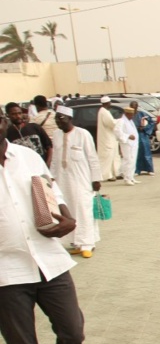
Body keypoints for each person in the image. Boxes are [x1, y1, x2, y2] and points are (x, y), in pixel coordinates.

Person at [0, 111, 85, 344]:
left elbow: (52, 194)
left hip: (49, 261)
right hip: (6, 272)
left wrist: (65, 218)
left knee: (73, 333)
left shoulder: (27, 156)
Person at [50, 105, 102, 258]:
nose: (58, 121)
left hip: (82, 180)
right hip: (63, 181)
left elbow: (92, 157)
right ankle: (76, 243)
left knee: (83, 210)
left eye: (61, 118)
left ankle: (88, 244)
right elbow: (54, 159)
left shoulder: (82, 134)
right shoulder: (56, 135)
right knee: (69, 211)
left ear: (70, 118)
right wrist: (51, 177)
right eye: (56, 118)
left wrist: (96, 178)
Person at [96, 96, 120, 181]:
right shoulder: (104, 112)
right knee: (107, 157)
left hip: (109, 137)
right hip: (106, 138)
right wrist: (119, 121)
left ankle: (113, 173)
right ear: (107, 103)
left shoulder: (103, 111)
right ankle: (106, 175)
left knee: (112, 156)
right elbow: (111, 123)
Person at [131, 100, 156, 177]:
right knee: (136, 153)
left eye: (135, 107)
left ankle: (149, 169)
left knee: (146, 152)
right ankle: (137, 170)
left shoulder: (141, 114)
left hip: (142, 135)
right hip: (134, 136)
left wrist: (145, 128)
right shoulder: (129, 115)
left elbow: (152, 122)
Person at [117, 107, 139, 185]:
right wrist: (128, 136)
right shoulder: (121, 121)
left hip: (133, 144)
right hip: (127, 144)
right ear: (127, 114)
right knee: (128, 160)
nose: (132, 116)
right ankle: (126, 178)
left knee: (133, 161)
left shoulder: (130, 121)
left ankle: (131, 177)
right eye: (131, 115)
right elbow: (117, 132)